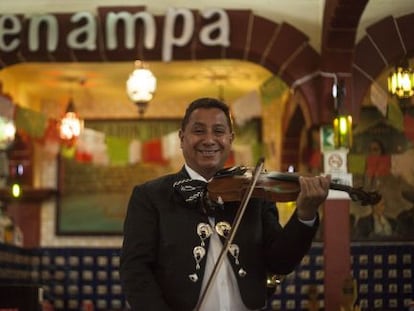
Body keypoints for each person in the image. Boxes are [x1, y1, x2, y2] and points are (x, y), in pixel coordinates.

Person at [119, 97, 331, 311]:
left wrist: (305, 213)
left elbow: (281, 262)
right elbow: (135, 271)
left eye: (219, 131)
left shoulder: (253, 194)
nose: (209, 140)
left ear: (231, 139)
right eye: (199, 131)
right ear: (182, 138)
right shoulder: (150, 196)